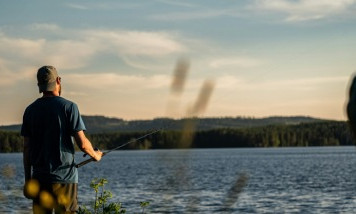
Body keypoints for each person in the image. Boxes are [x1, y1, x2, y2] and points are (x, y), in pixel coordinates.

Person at [21, 65, 103, 213]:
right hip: (65, 181)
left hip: (39, 180)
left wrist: (28, 180)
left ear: (39, 85)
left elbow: (27, 147)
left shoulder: (30, 110)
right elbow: (83, 144)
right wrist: (96, 155)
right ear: (58, 80)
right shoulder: (69, 107)